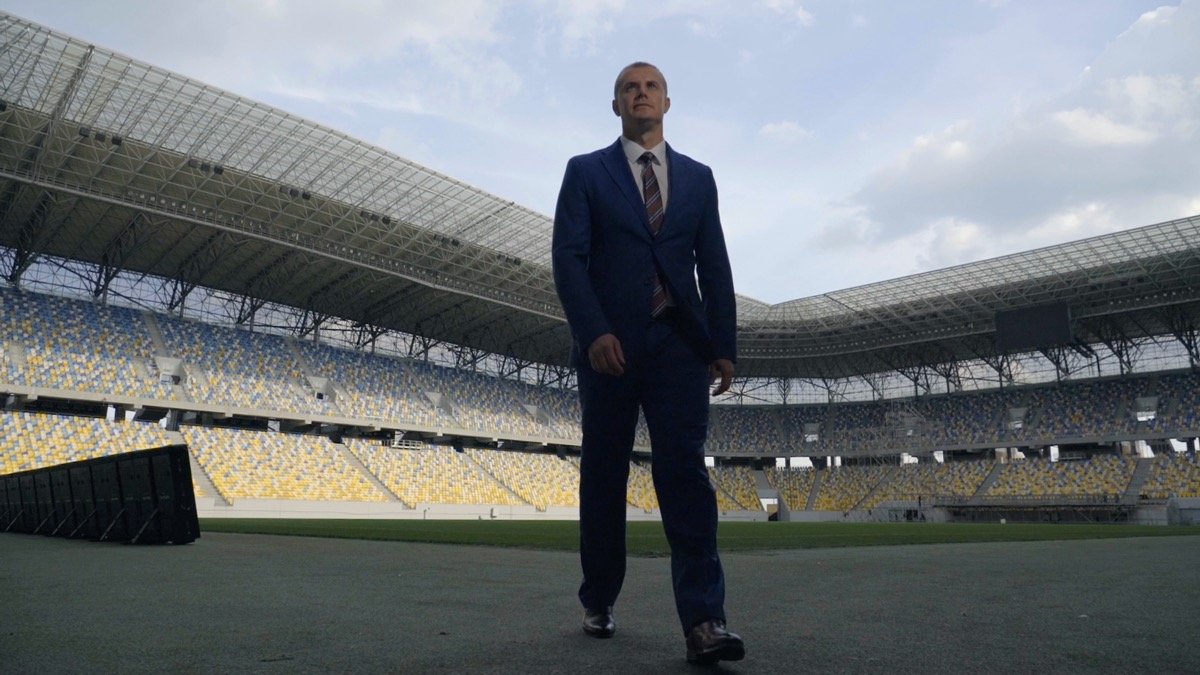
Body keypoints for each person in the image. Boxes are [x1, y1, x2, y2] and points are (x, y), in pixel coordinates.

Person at [551, 61, 744, 665]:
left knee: (685, 475)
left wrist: (722, 343)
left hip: (678, 345)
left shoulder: (698, 178)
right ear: (616, 105)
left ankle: (705, 621)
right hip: (609, 347)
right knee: (604, 474)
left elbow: (713, 263)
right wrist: (592, 332)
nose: (641, 94)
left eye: (651, 86)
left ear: (666, 102)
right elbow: (568, 257)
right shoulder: (586, 171)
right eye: (629, 88)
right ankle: (599, 597)